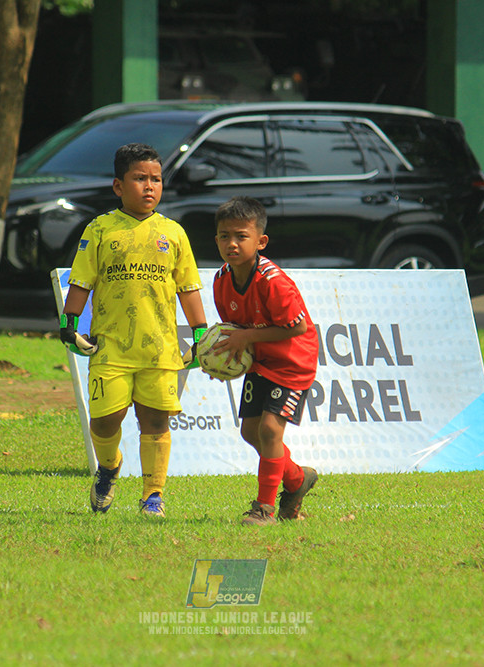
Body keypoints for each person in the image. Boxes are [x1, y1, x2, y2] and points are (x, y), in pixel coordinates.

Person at [59, 143, 207, 519]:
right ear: (117, 186)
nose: (149, 186)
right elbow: (81, 282)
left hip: (160, 350)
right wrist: (69, 322)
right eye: (139, 178)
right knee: (106, 420)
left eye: (155, 179)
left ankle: (152, 495)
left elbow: (188, 287)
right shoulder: (100, 230)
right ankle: (108, 468)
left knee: (155, 420)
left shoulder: (173, 233)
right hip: (110, 348)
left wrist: (201, 332)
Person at [210, 196, 319, 525]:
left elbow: (296, 327)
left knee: (271, 430)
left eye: (241, 236)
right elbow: (237, 331)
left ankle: (264, 509)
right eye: (224, 236)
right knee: (250, 432)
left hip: (292, 361)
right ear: (216, 240)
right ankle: (298, 480)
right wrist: (223, 360)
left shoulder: (273, 282)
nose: (232, 244)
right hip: (261, 360)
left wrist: (247, 338)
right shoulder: (221, 281)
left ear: (261, 241)